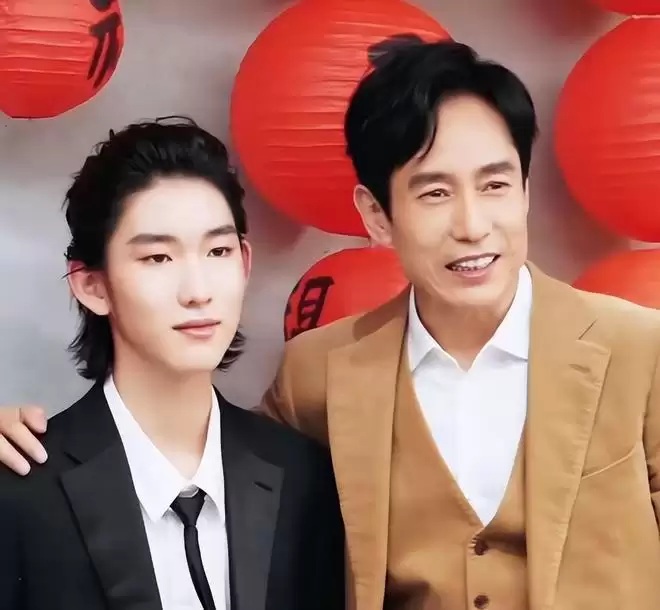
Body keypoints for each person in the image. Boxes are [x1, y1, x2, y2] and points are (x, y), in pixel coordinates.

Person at [3, 37, 660, 610]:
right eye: (434, 192)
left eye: (495, 185)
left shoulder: (639, 349)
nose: (472, 225)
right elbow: (189, 449)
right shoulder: (320, 376)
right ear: (376, 216)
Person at [0, 117, 344, 610]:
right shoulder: (21, 487)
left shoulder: (303, 476)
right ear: (92, 286)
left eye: (218, 251)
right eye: (158, 258)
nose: (198, 291)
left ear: (245, 263)